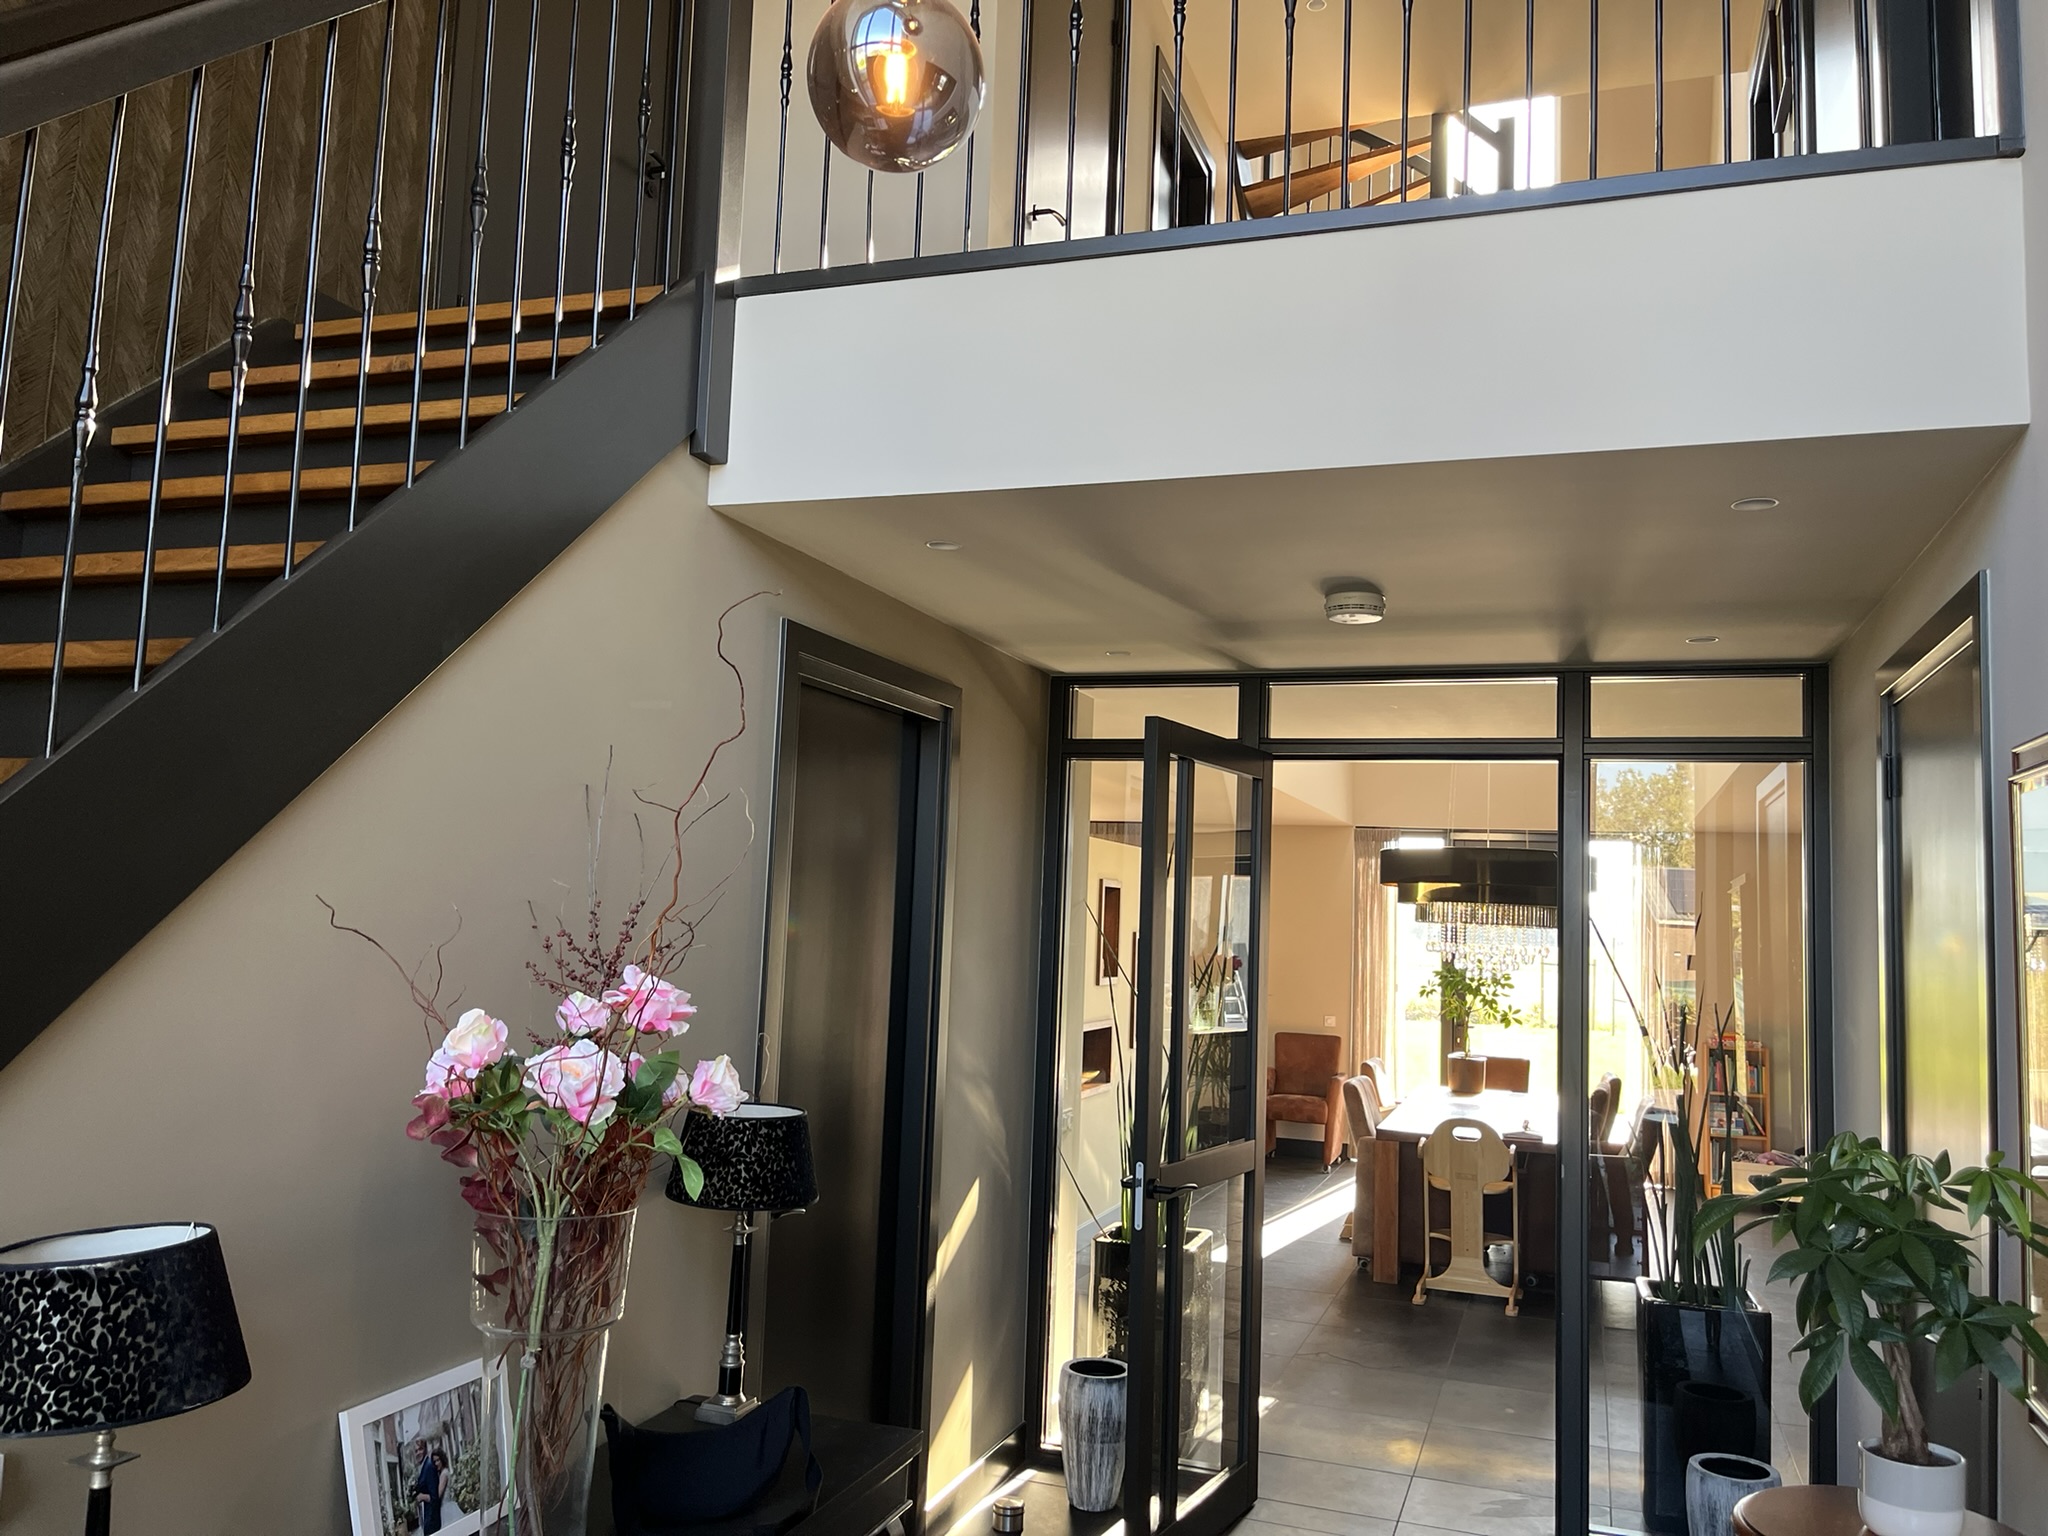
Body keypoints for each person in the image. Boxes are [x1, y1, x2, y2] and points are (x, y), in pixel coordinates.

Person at [413, 1440, 442, 1535]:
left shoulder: (429, 1466)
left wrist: (422, 1497)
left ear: (425, 1449)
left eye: (420, 1449)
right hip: (427, 1517)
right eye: (416, 1451)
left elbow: (435, 1497)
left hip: (432, 1519)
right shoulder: (424, 1466)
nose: (418, 1453)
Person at [433, 1448, 460, 1526]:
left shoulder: (444, 1474)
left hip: (447, 1507)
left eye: (438, 1460)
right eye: (434, 1461)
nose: (436, 1463)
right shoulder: (443, 1472)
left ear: (442, 1459)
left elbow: (439, 1494)